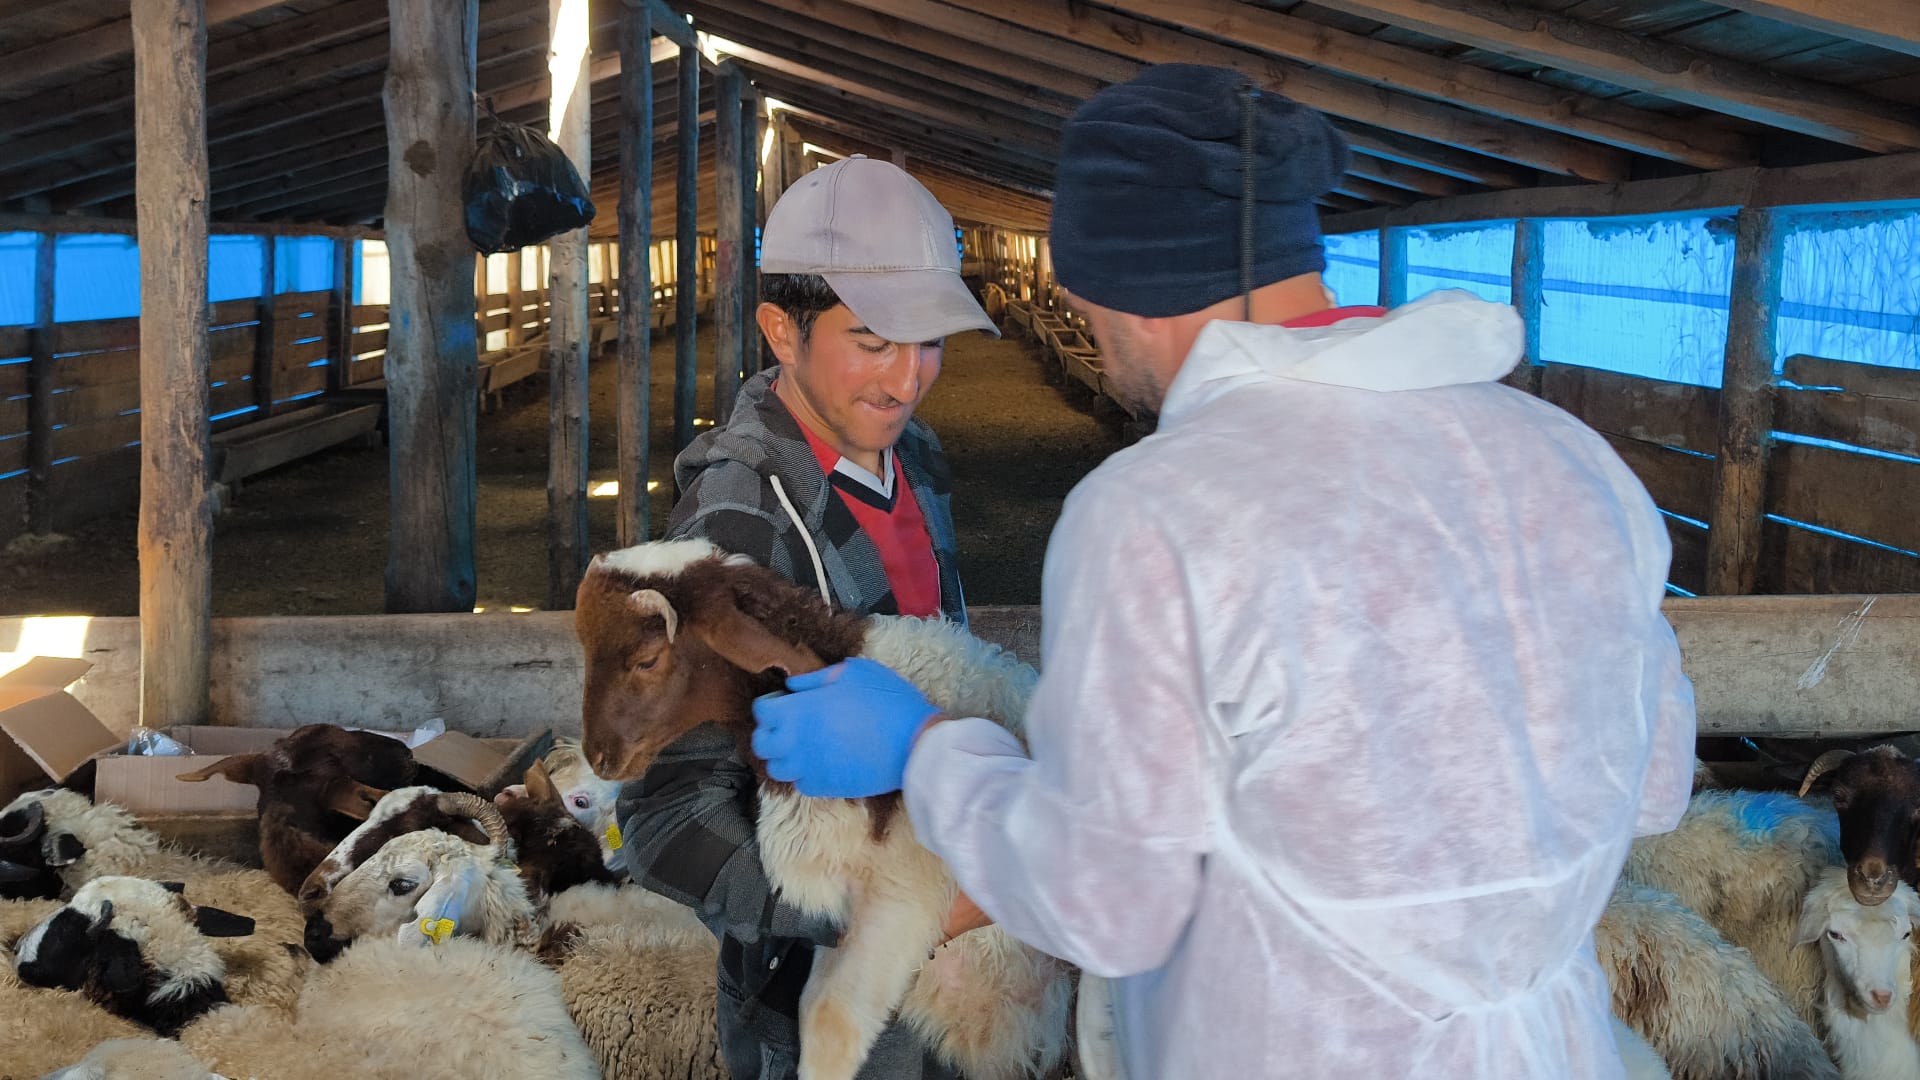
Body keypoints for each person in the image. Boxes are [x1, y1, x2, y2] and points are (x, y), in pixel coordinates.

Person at [750, 65, 1699, 1078]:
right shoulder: (1571, 462)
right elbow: (1652, 788)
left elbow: (1105, 902)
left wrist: (929, 749)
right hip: (1550, 1048)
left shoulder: (1164, 511)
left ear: (1123, 285)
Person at [618, 155, 998, 1080]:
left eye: (931, 341)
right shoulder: (734, 528)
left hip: (957, 969)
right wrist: (899, 913)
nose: (909, 379)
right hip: (830, 1009)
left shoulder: (919, 461)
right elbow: (664, 816)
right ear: (781, 330)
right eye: (873, 340)